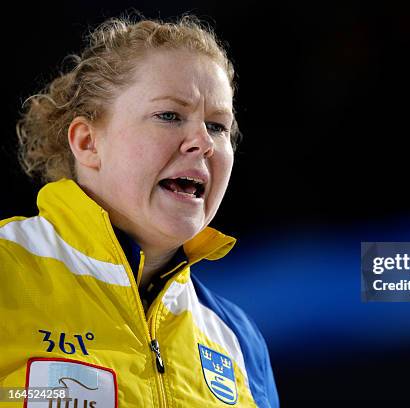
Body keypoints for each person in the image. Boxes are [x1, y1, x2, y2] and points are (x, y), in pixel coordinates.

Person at [0, 15, 279, 407]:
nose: (203, 142)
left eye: (218, 126)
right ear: (87, 143)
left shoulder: (236, 340)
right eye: (169, 115)